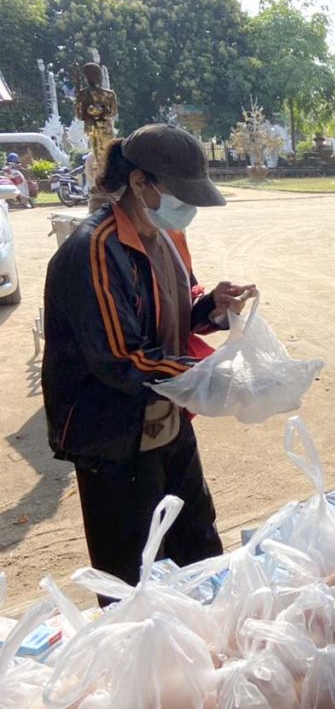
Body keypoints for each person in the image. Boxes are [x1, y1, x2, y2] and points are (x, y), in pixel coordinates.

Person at [42, 124, 256, 599]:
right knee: (131, 572)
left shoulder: (167, 236)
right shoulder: (93, 251)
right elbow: (121, 358)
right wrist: (210, 376)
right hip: (112, 435)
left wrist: (212, 308)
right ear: (140, 183)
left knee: (198, 541)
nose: (188, 209)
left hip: (167, 418)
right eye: (180, 195)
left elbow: (174, 309)